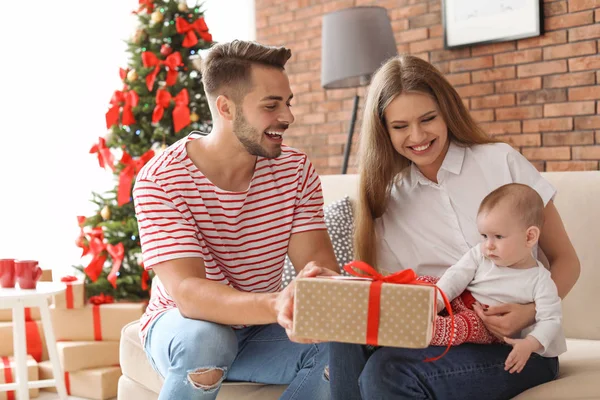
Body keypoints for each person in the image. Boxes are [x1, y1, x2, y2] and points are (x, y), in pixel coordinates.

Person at [322, 54, 580, 400]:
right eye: (400, 127)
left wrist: (527, 314)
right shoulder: (387, 199)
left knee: (386, 373)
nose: (417, 136)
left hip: (522, 347)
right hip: (442, 335)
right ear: (383, 129)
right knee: (345, 337)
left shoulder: (500, 160)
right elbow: (402, 296)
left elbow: (566, 260)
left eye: (428, 119)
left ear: (447, 112)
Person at [133, 40, 339, 400]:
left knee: (341, 348)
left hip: (260, 329)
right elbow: (189, 295)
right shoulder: (161, 180)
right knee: (209, 339)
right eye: (271, 105)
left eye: (287, 103)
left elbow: (318, 268)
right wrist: (276, 304)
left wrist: (330, 295)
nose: (288, 117)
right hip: (185, 326)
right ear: (226, 108)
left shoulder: (295, 170)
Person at [434, 183, 566, 374]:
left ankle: (417, 329)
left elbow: (551, 319)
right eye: (484, 236)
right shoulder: (481, 254)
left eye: (498, 236)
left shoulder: (540, 281)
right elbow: (456, 275)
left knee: (455, 327)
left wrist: (529, 344)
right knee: (427, 283)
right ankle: (403, 311)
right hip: (460, 300)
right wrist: (438, 299)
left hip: (484, 325)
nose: (488, 245)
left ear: (529, 237)